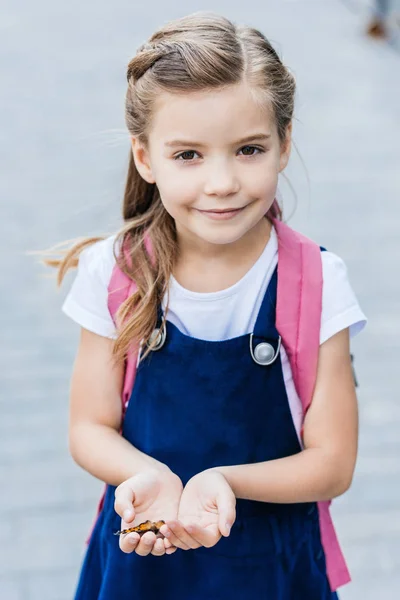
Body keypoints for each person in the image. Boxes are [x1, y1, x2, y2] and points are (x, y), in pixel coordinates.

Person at [52, 11, 367, 600]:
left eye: (248, 149)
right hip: (144, 555)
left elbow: (334, 463)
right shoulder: (115, 272)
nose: (221, 182)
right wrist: (146, 476)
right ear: (146, 158)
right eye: (189, 155)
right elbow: (88, 426)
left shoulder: (318, 280)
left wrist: (223, 482)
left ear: (284, 145)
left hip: (272, 569)